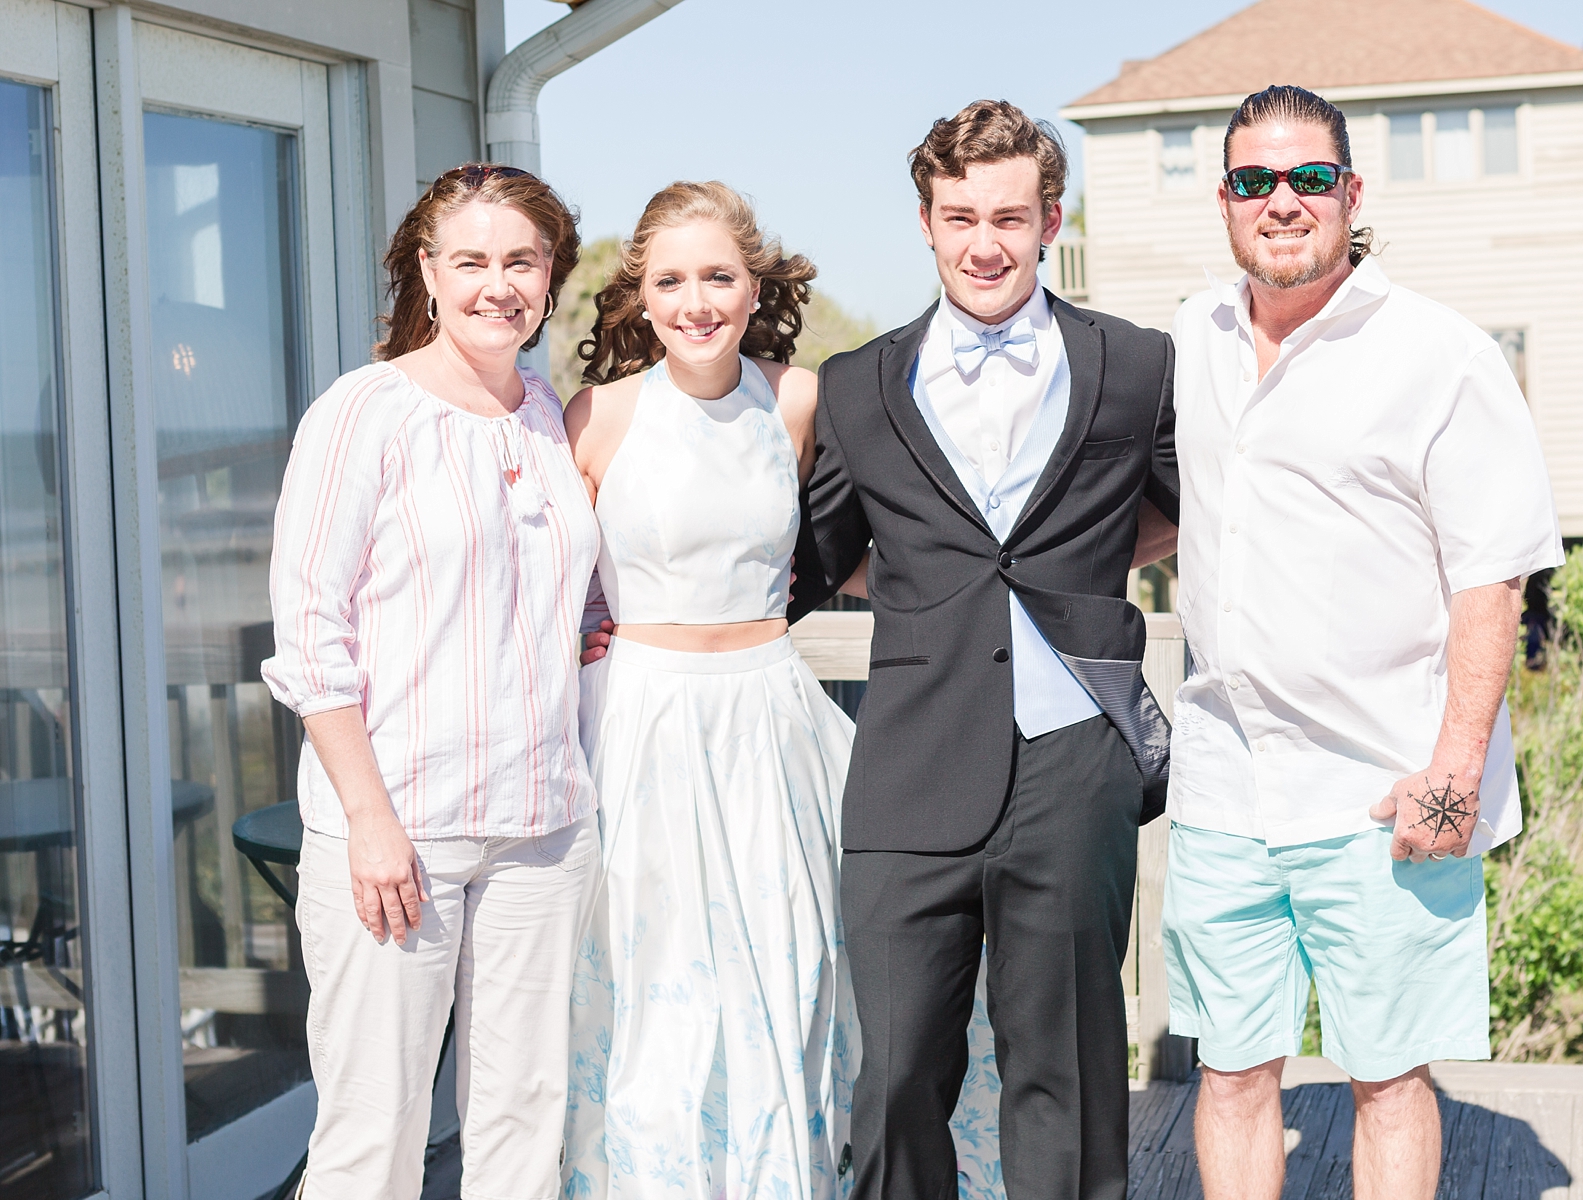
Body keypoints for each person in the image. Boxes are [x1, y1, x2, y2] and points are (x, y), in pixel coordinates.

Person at [561, 180, 1014, 1200]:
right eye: (670, 280)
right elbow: (548, 572)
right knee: (653, 997)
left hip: (770, 718)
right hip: (639, 722)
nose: (696, 301)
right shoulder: (597, 415)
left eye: (718, 276)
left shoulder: (797, 398)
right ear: (638, 293)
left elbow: (864, 545)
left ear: (753, 283)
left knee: (793, 971)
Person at [1161, 85, 1564, 1200]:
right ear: (1227, 200)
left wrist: (1454, 774)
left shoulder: (1441, 354)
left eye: (1308, 178)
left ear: (1351, 192)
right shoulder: (1190, 337)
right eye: (1253, 181)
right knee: (1231, 1072)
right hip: (1225, 785)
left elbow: (1493, 576)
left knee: (1386, 1078)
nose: (1280, 201)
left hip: (1383, 788)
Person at [790, 100, 1181, 1200]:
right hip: (911, 761)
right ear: (925, 220)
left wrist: (1080, 571)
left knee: (1067, 1073)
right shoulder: (859, 384)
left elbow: (1187, 510)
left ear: (1050, 218)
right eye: (959, 216)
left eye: (1010, 216)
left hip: (1073, 761)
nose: (985, 243)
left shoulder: (1135, 364)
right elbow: (813, 560)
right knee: (899, 1071)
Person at [261, 164, 598, 1197]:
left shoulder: (550, 418)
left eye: (522, 261)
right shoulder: (363, 412)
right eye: (473, 261)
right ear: (429, 271)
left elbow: (565, 598)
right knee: (377, 1135)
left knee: (525, 1122)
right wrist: (368, 823)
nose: (500, 285)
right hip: (400, 830)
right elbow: (311, 637)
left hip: (544, 829)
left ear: (551, 275)